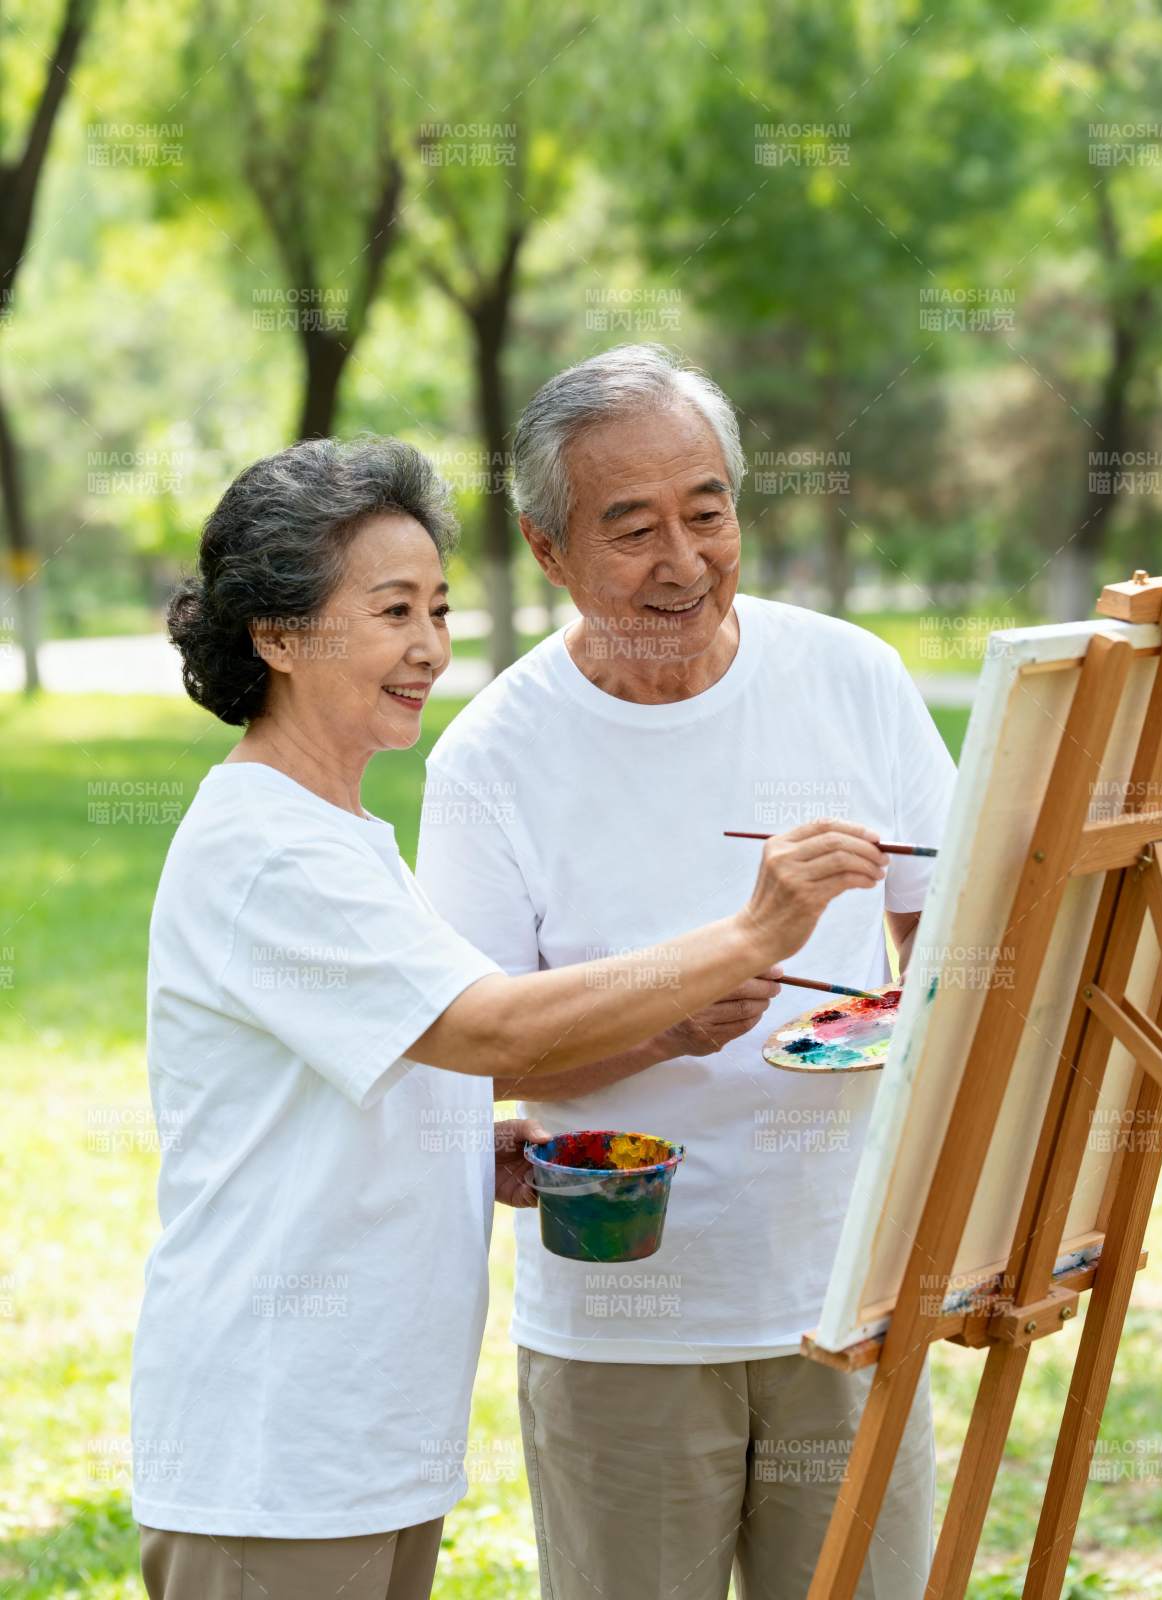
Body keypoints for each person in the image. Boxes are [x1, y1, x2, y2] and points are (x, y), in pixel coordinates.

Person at [132, 433, 888, 1600]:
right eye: (391, 611)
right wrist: (749, 936)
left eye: (437, 608)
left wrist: (475, 1132)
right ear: (277, 637)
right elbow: (492, 1028)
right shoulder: (267, 849)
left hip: (367, 1445)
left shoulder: (344, 837)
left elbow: (405, 1057)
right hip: (274, 1447)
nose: (429, 646)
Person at [416, 346, 958, 1599]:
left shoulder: (852, 676)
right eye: (633, 529)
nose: (685, 561)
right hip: (624, 1317)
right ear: (548, 549)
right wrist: (666, 1027)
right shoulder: (492, 759)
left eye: (707, 512)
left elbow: (950, 937)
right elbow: (480, 1051)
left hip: (846, 1286)